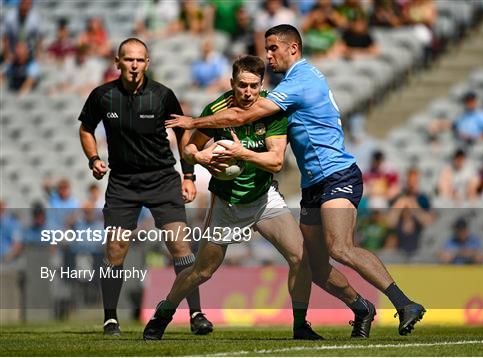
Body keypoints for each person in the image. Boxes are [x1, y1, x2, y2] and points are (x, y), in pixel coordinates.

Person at [166, 24, 425, 336]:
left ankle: (404, 303)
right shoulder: (293, 81)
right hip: (313, 184)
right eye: (267, 48)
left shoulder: (301, 79)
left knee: (340, 247)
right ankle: (361, 307)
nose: (268, 54)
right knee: (313, 267)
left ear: (293, 49)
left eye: (273, 48)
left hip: (337, 173)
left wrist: (193, 121)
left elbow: (242, 116)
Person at [144, 55, 378, 341]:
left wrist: (242, 154)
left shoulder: (272, 109)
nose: (248, 92)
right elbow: (189, 149)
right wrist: (202, 157)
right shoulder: (216, 110)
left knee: (300, 257)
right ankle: (164, 312)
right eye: (242, 85)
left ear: (261, 85)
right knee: (202, 271)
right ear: (232, 83)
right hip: (227, 204)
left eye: (254, 86)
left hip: (265, 200)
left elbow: (276, 162)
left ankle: (301, 325)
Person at [78, 38, 212, 336]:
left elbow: (183, 134)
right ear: (117, 62)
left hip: (162, 179)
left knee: (180, 247)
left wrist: (188, 176)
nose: (134, 65)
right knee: (115, 249)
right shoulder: (102, 96)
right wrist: (93, 159)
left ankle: (197, 313)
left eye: (139, 60)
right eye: (128, 60)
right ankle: (110, 317)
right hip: (123, 182)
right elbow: (86, 128)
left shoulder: (163, 95)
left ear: (147, 63)